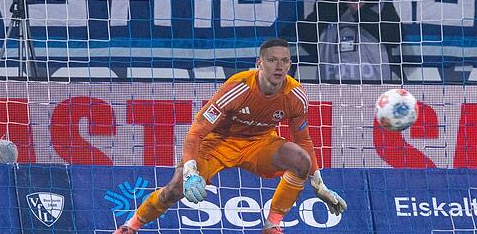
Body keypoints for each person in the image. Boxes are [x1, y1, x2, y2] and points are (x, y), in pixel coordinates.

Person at [114, 38, 346, 234]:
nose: (279, 66)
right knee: (175, 189)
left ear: (290, 64)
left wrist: (318, 184)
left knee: (300, 160)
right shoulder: (238, 87)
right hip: (217, 143)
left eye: (284, 61)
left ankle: (272, 225)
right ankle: (130, 226)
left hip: (259, 144)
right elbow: (196, 131)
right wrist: (190, 172)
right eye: (272, 60)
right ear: (259, 63)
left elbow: (303, 140)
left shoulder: (295, 95)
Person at [295, 0, 403, 82]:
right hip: (330, 88)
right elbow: (305, 37)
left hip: (376, 86)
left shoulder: (380, 6)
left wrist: (361, 11)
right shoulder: (324, 11)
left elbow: (395, 37)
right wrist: (330, 3)